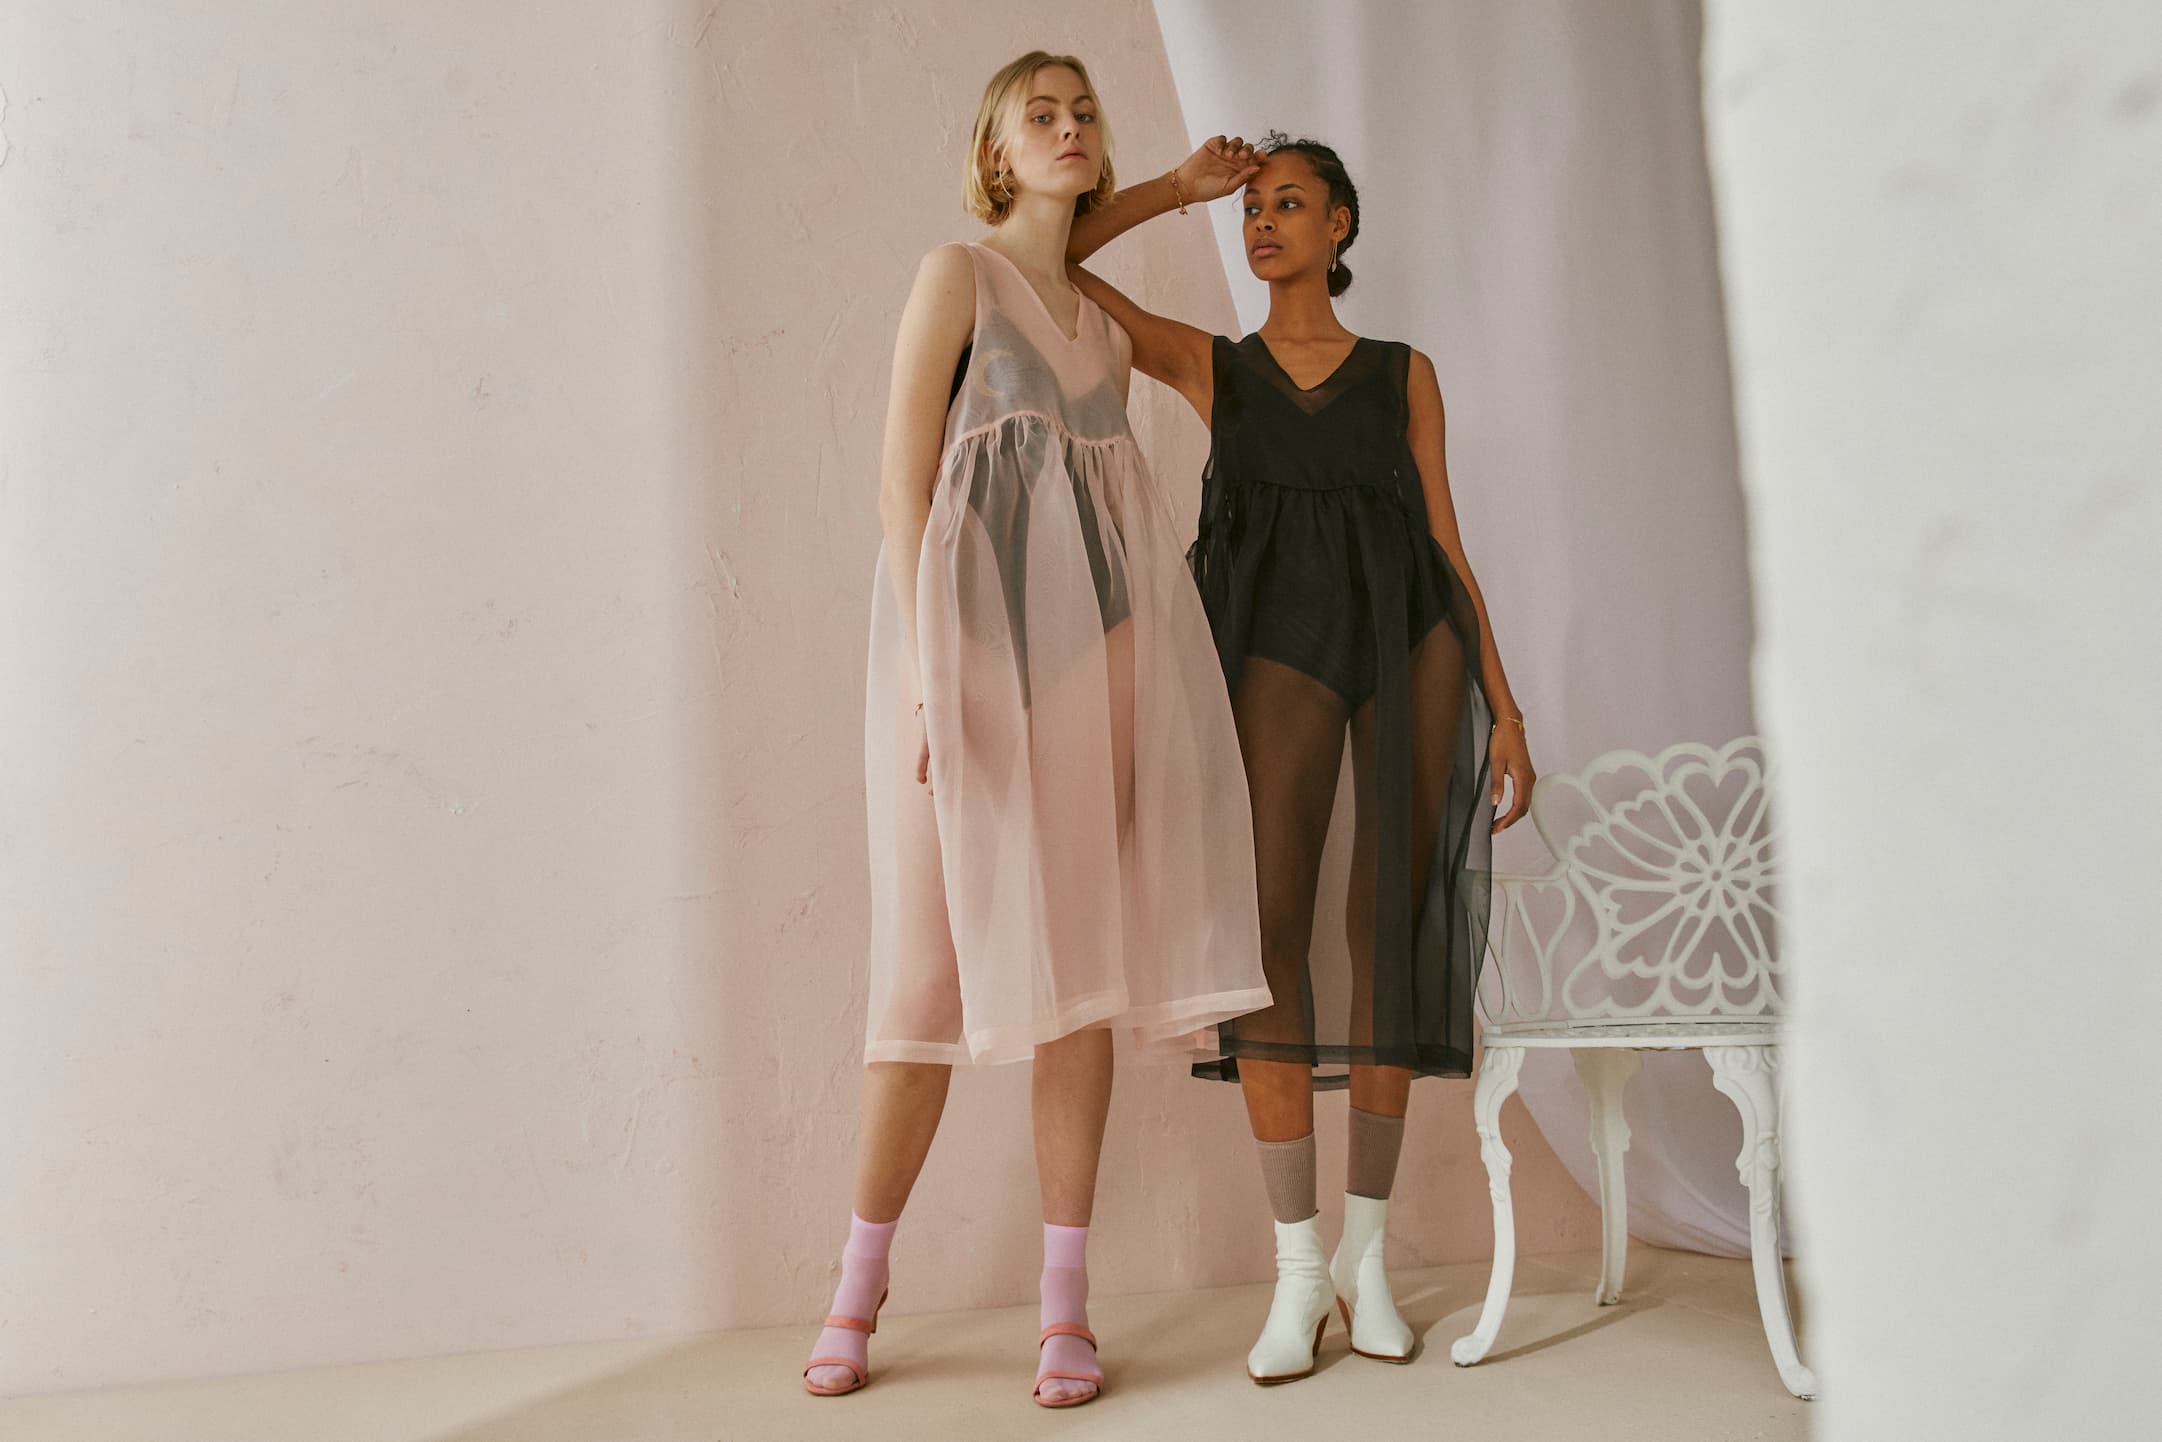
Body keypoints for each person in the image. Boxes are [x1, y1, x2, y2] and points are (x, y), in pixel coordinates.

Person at [802, 52, 1271, 1408]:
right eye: (1040, 115)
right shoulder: (955, 276)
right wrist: (926, 682)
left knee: (1076, 979)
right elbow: (903, 490)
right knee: (924, 984)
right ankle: (857, 1284)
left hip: (1100, 670)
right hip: (961, 664)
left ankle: (1065, 1312)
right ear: (996, 151)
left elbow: (1072, 259)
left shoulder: (1103, 330)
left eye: (1084, 115)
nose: (1069, 129)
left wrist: (1170, 195)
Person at [1068, 130, 1535, 1383]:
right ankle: (1295, 1272)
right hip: (1274, 644)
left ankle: (1366, 1261)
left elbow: (1444, 535)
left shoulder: (1401, 373)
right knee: (1270, 930)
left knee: (1388, 925)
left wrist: (1506, 701)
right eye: (1253, 206)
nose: (1261, 221)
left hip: (1410, 642)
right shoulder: (1215, 367)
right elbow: (1057, 262)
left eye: (1288, 204)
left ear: (1339, 228)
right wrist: (1175, 189)